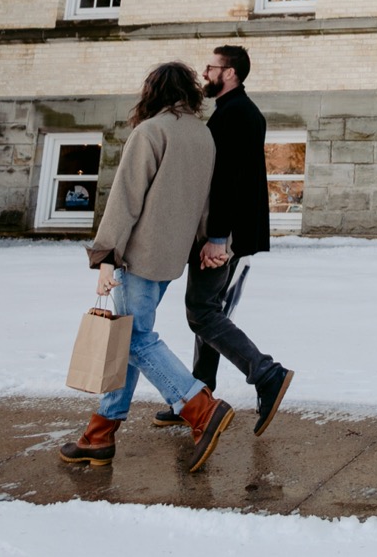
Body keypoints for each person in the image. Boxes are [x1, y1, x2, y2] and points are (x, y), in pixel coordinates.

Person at [59, 61, 236, 472]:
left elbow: (125, 199)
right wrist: (208, 241)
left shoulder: (150, 132)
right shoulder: (202, 135)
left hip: (138, 254)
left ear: (152, 92)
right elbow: (207, 200)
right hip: (171, 257)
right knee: (129, 339)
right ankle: (100, 434)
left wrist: (105, 256)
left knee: (136, 340)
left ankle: (200, 407)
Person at [153, 45, 294, 436]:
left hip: (223, 234)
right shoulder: (232, 112)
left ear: (229, 73)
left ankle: (266, 373)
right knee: (208, 310)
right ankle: (199, 396)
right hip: (225, 232)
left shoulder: (237, 116)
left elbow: (229, 184)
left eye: (211, 68)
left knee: (202, 311)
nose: (205, 74)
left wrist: (217, 238)